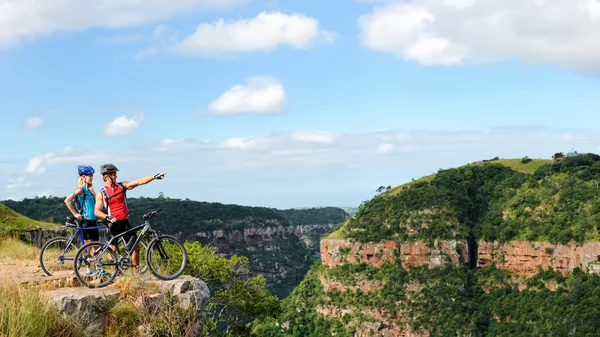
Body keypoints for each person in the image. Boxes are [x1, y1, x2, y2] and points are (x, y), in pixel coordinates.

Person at [94, 163, 165, 275]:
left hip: (124, 222)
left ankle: (136, 272)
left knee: (136, 246)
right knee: (112, 248)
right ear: (107, 176)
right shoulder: (101, 193)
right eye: (114, 174)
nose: (116, 176)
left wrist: (154, 177)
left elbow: (139, 181)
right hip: (112, 223)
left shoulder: (122, 186)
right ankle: (114, 273)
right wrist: (107, 217)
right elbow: (97, 211)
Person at [64, 165, 98, 276]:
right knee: (88, 247)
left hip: (93, 219)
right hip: (86, 219)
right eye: (90, 176)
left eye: (92, 175)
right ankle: (88, 269)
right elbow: (67, 200)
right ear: (83, 177)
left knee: (96, 247)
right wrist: (75, 214)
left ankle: (97, 268)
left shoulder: (89, 189)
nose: (92, 177)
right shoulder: (81, 189)